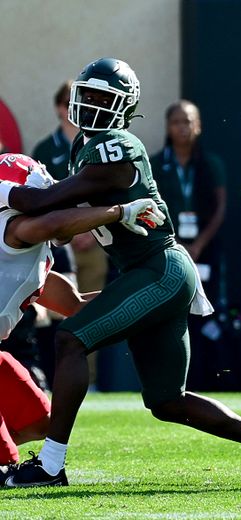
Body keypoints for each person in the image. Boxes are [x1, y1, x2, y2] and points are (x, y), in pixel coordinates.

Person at [0, 58, 241, 487]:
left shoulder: (116, 147)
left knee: (70, 339)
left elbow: (43, 204)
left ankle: (51, 465)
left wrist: (7, 191)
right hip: (151, 273)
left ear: (123, 107)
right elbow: (60, 215)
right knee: (168, 401)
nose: (90, 105)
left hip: (159, 270)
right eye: (86, 96)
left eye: (101, 99)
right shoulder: (85, 147)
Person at [0, 152, 163, 482]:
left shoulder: (32, 255)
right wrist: (118, 212)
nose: (54, 204)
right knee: (5, 465)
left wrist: (152, 291)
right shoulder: (15, 228)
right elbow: (51, 224)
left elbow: (75, 304)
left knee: (39, 422)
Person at [32, 80, 110, 390]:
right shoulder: (44, 148)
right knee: (51, 311)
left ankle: (87, 381)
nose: (72, 109)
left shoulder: (97, 144)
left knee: (90, 313)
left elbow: (106, 191)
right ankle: (52, 377)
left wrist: (90, 229)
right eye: (67, 103)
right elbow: (36, 196)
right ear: (58, 108)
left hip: (92, 241)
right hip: (53, 243)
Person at [151, 100, 227, 390]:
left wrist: (198, 244)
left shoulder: (211, 163)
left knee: (207, 313)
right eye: (177, 122)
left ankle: (209, 379)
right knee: (172, 312)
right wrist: (178, 244)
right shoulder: (158, 164)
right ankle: (173, 379)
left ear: (199, 126)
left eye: (189, 121)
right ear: (169, 128)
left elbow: (220, 207)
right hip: (169, 250)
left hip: (205, 250)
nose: (183, 128)